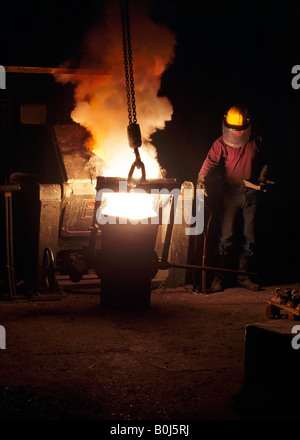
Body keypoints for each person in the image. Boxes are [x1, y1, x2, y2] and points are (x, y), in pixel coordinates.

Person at [197, 104, 268, 292]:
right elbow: (209, 163)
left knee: (249, 237)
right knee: (226, 236)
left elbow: (266, 160)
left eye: (240, 130)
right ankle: (218, 278)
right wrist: (201, 180)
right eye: (233, 130)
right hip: (230, 195)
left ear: (248, 125)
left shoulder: (256, 140)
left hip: (252, 194)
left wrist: (262, 177)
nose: (237, 134)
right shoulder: (220, 143)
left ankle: (243, 277)